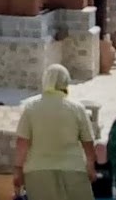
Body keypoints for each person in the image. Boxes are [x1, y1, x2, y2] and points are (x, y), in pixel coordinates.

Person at [15, 64, 98, 200]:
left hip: (38, 173)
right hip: (73, 171)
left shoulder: (31, 108)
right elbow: (88, 142)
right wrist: (90, 166)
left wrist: (18, 170)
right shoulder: (77, 108)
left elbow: (22, 143)